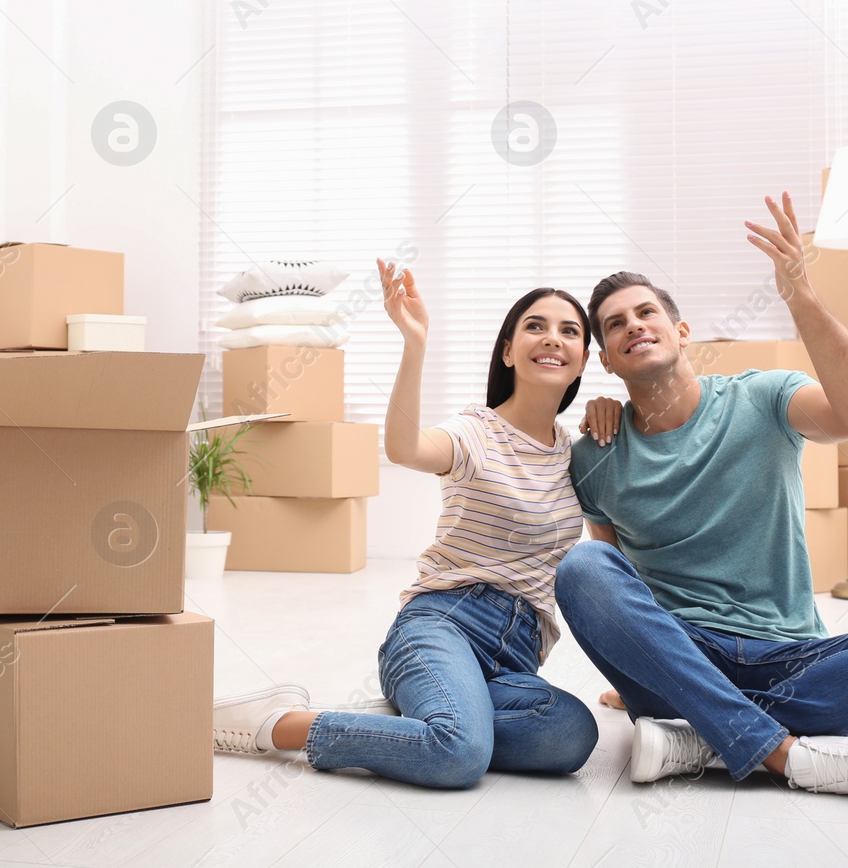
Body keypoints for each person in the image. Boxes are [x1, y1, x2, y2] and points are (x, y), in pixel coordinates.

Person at [556, 192, 848, 799]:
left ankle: (705, 734)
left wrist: (799, 296)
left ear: (680, 331)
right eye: (615, 325)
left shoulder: (763, 398)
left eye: (645, 313)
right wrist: (645, 660)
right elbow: (613, 580)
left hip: (792, 655)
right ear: (607, 362)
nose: (633, 326)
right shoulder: (595, 454)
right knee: (584, 565)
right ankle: (775, 746)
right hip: (682, 653)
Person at [209, 262, 599, 788]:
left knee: (571, 735)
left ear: (581, 362)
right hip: (445, 623)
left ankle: (429, 715)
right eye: (535, 325)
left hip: (518, 655)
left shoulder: (575, 456)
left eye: (568, 331)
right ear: (508, 351)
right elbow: (405, 447)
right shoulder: (475, 431)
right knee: (458, 756)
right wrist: (415, 344)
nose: (552, 338)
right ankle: (278, 724)